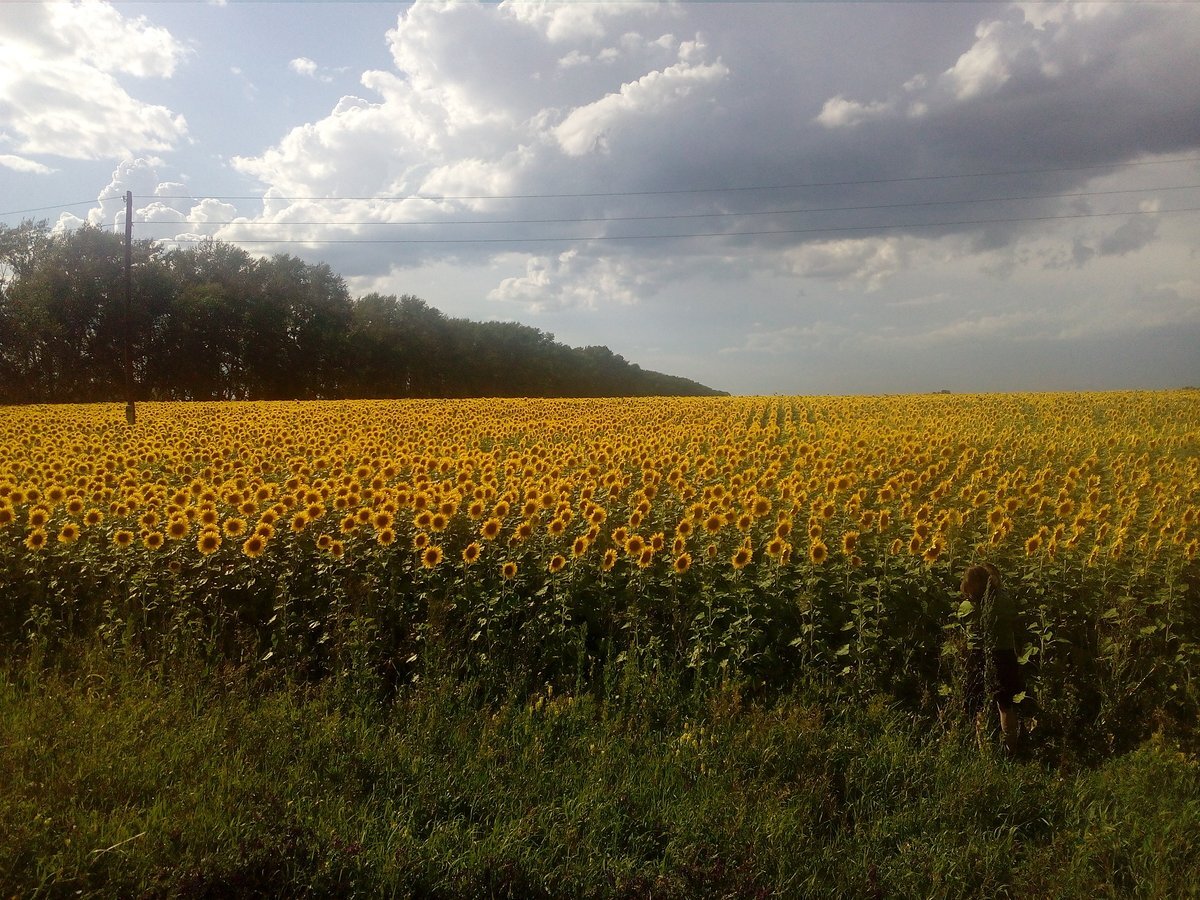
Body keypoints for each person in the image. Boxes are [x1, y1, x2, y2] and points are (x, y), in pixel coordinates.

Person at [960, 563, 1022, 754]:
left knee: (979, 705)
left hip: (977, 655)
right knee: (1005, 704)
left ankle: (984, 751)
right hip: (1003, 654)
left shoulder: (966, 606)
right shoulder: (1003, 600)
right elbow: (1014, 619)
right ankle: (1011, 750)